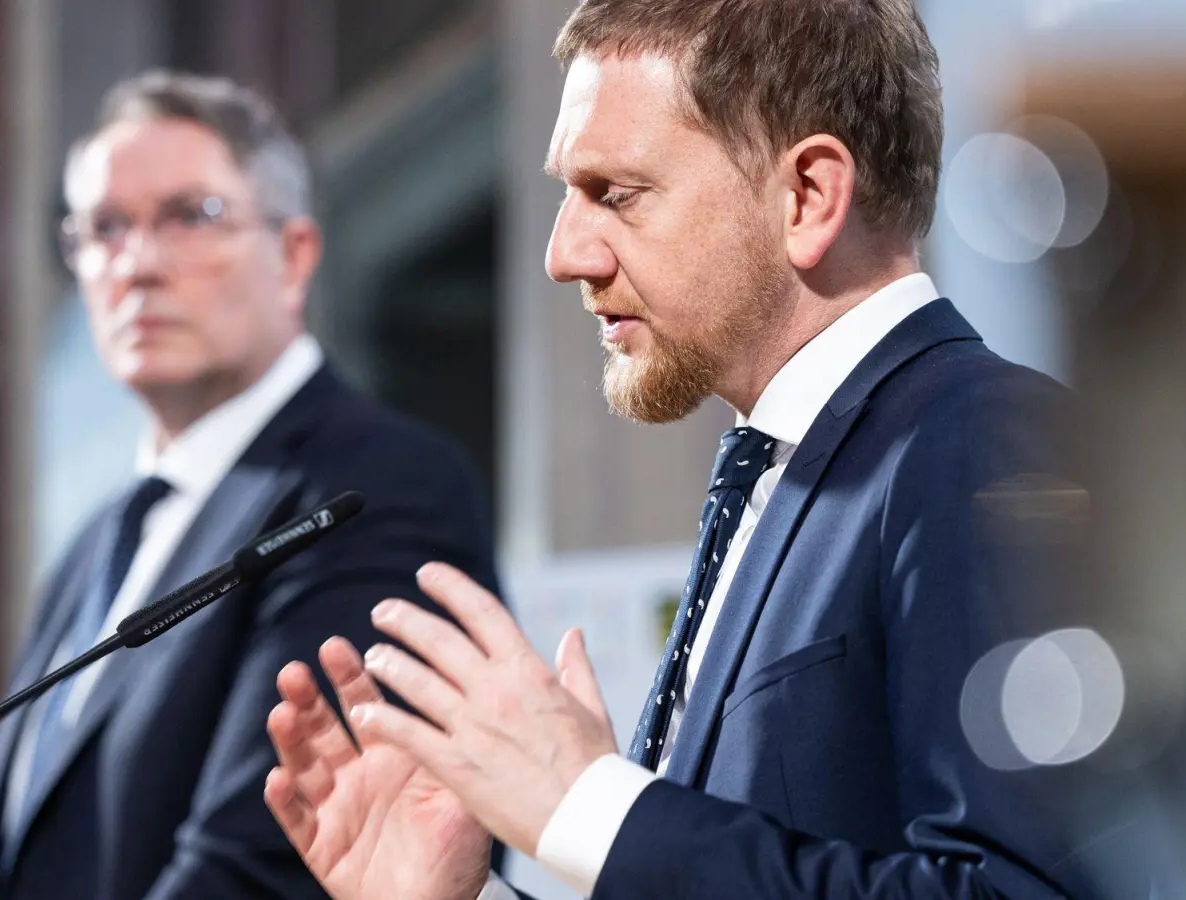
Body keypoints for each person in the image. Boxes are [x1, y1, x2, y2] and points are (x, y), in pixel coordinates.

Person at [263, 2, 1115, 899]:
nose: (564, 254)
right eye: (566, 193)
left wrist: (589, 805)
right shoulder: (781, 469)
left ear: (809, 196)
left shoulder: (984, 444)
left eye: (615, 194)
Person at [0, 71, 499, 900]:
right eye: (104, 228)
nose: (138, 264)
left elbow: (264, 865)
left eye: (190, 216)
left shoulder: (371, 487)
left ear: (295, 254)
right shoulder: (98, 543)